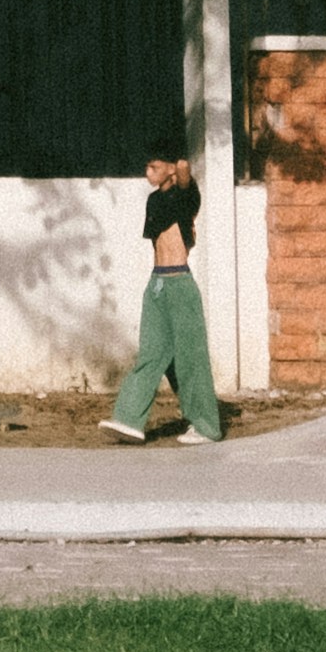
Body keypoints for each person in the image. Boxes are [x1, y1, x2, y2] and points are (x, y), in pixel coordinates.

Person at [107, 138, 223, 443]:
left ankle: (206, 426)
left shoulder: (187, 195)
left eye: (155, 166)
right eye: (147, 166)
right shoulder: (154, 201)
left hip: (180, 284)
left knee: (190, 357)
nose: (148, 172)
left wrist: (183, 169)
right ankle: (129, 419)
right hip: (157, 284)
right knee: (151, 353)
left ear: (172, 168)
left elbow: (186, 184)